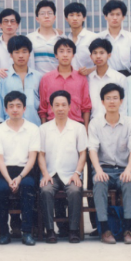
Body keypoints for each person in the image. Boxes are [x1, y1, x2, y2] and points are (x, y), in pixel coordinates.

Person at [88, 84, 131, 245]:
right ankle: (105, 229)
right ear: (102, 102)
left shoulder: (130, 122)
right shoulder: (95, 123)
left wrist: (129, 170)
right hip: (104, 168)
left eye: (115, 98)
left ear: (121, 101)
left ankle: (128, 229)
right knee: (99, 182)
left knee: (129, 182)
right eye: (108, 98)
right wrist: (98, 170)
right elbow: (92, 149)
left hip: (124, 168)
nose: (112, 101)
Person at [38, 91, 87, 244]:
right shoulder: (44, 129)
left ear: (69, 107)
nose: (60, 108)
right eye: (57, 105)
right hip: (51, 174)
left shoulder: (78, 128)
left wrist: (77, 173)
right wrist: (45, 174)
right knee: (46, 190)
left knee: (74, 191)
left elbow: (83, 153)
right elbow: (41, 154)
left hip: (71, 174)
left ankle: (73, 230)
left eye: (64, 105)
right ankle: (50, 231)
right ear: (51, 107)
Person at [0, 91, 41, 246]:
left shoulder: (33, 129)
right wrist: (9, 180)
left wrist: (19, 178)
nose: (15, 109)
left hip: (25, 171)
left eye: (18, 106)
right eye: (11, 106)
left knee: (28, 186)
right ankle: (4, 233)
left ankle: (27, 232)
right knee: (0, 189)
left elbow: (32, 158)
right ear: (5, 109)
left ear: (24, 108)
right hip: (5, 171)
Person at [0, 35, 43, 127]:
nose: (21, 55)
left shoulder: (38, 77)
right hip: (8, 128)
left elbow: (43, 107)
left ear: (29, 54)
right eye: (16, 52)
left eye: (24, 51)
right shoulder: (2, 78)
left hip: (34, 127)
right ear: (11, 55)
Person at [38, 39, 92, 126]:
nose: (65, 55)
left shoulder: (81, 78)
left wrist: (85, 129)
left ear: (73, 55)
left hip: (76, 125)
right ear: (56, 55)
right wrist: (43, 128)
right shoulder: (46, 79)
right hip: (52, 125)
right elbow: (43, 108)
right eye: (61, 51)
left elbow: (86, 107)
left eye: (69, 51)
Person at [87, 38, 128, 121]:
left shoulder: (119, 78)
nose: (98, 56)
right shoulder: (88, 79)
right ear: (91, 56)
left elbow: (123, 107)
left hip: (115, 123)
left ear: (109, 55)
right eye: (95, 53)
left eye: (102, 53)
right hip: (94, 123)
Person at [97, 0, 131, 76]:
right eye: (111, 14)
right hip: (105, 76)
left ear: (123, 17)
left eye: (118, 14)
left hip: (126, 76)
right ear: (105, 16)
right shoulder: (99, 38)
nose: (115, 18)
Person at [27, 0, 61, 76]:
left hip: (56, 80)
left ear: (54, 17)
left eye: (50, 13)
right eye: (42, 14)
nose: (46, 16)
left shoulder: (62, 39)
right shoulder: (29, 39)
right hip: (36, 80)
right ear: (37, 19)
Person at [65, 1, 98, 74]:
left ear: (84, 18)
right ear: (66, 18)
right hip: (71, 79)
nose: (75, 18)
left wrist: (89, 70)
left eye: (78, 15)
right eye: (71, 15)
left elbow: (104, 62)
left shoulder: (93, 38)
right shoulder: (66, 40)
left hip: (90, 78)